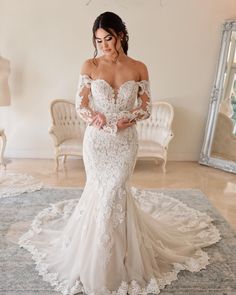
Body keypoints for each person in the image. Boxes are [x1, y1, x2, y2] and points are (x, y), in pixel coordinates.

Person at [18, 11, 221, 295]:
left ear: (121, 36)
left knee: (115, 191)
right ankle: (98, 261)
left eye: (108, 38)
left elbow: (147, 106)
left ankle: (118, 261)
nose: (104, 45)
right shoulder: (89, 66)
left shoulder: (139, 67)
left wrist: (131, 118)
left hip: (125, 142)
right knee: (99, 192)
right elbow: (81, 105)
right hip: (97, 143)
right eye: (98, 40)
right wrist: (95, 119)